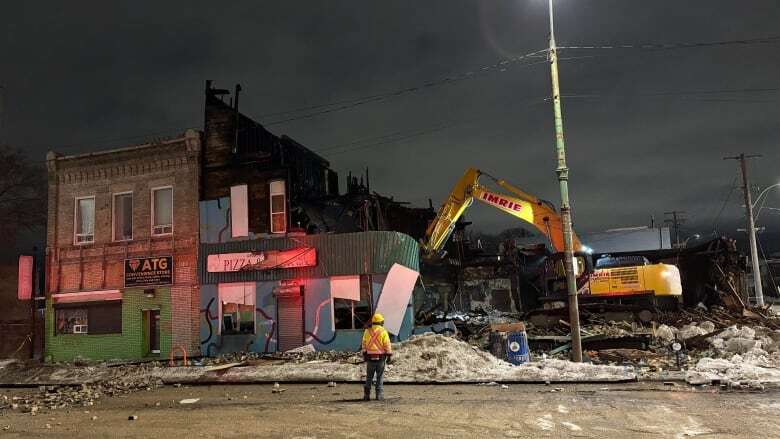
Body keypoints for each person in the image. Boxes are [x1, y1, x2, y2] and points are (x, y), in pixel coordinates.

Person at [361, 312, 392, 401]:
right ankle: (379, 395)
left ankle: (366, 395)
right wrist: (389, 355)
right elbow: (387, 344)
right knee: (380, 376)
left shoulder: (367, 331)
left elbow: (364, 344)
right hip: (381, 358)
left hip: (370, 358)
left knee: (369, 377)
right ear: (381, 322)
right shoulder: (383, 331)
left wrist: (364, 353)